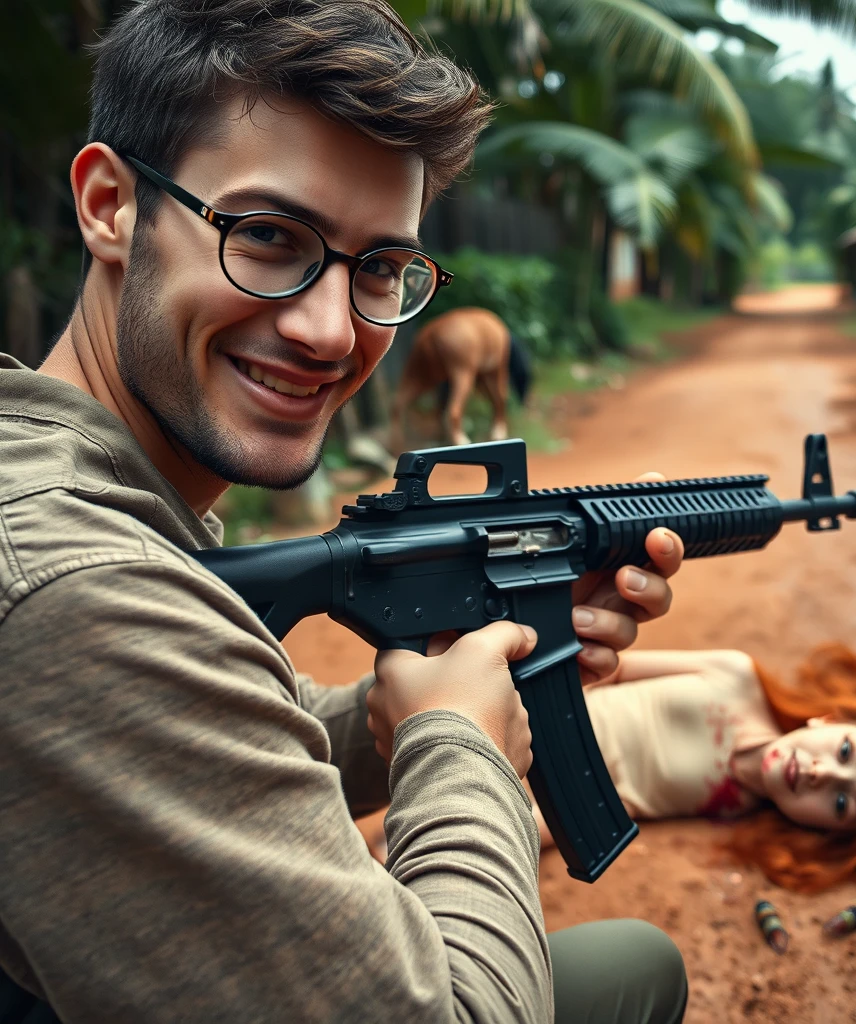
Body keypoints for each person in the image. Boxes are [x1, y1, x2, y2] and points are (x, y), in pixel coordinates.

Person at [0, 3, 689, 1022]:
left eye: (377, 268)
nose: (331, 331)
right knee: (634, 968)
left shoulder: (48, 473)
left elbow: (197, 734)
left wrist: (454, 681)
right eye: (269, 236)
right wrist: (460, 739)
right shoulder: (78, 593)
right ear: (109, 205)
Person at [532, 643, 856, 893]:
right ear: (828, 719)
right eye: (845, 751)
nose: (821, 774)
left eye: (842, 802)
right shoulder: (735, 674)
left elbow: (593, 811)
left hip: (530, 793)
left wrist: (510, 826)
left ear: (824, 829)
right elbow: (606, 665)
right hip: (528, 702)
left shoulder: (734, 809)